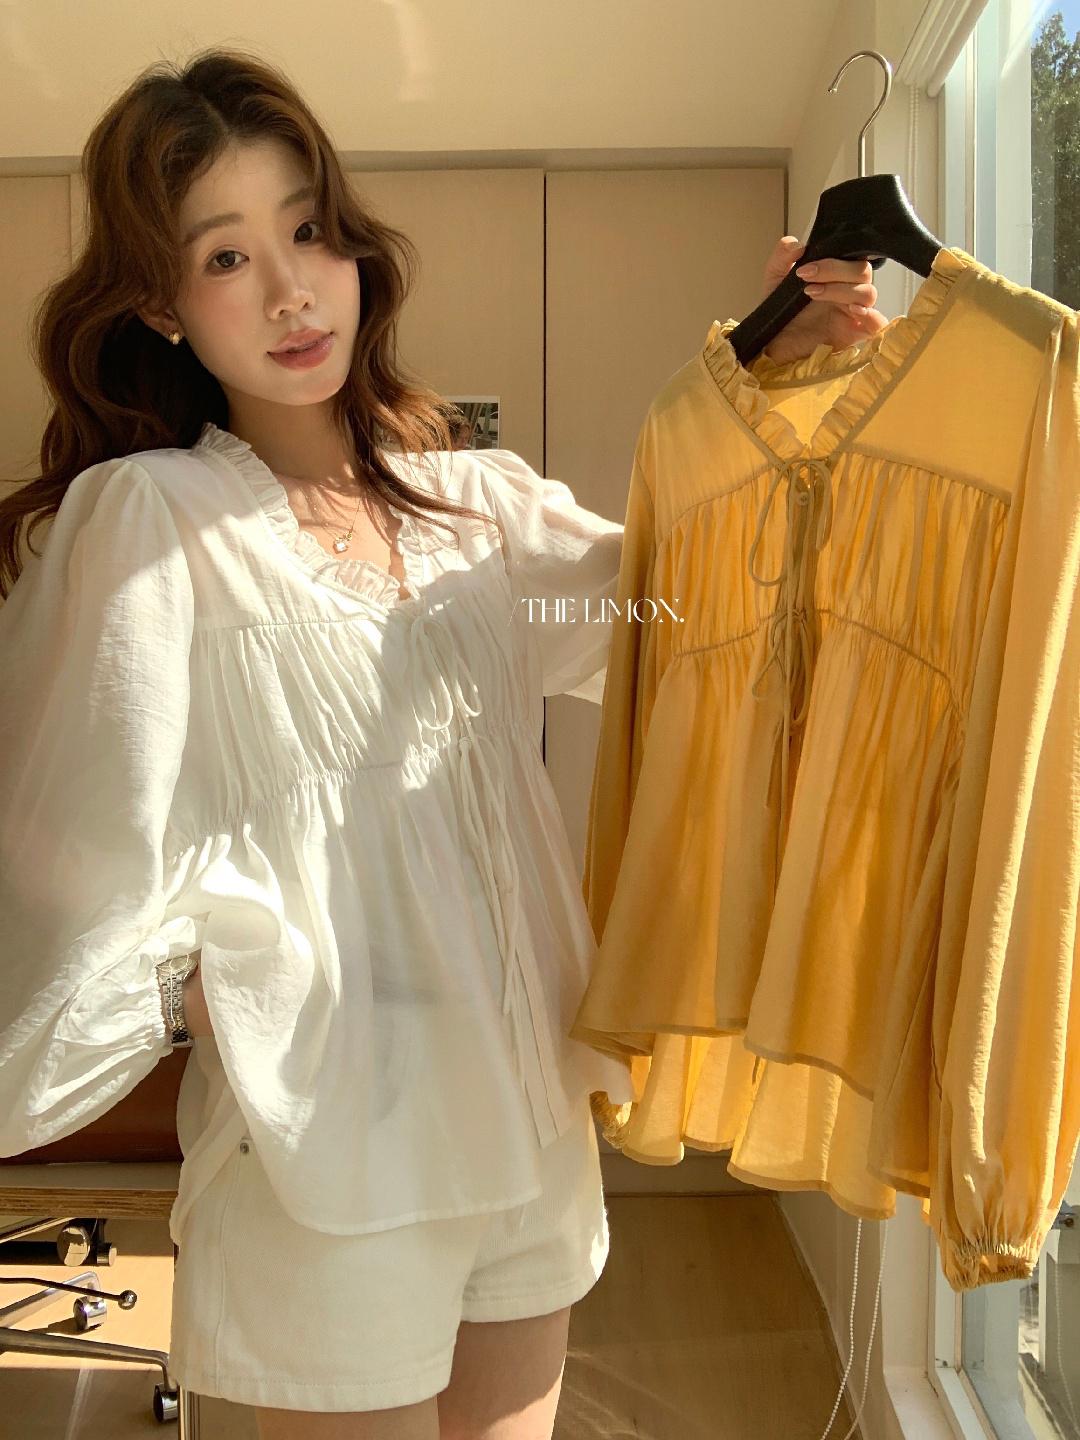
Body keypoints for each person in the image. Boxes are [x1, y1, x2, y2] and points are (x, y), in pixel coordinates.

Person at [0, 45, 884, 1440]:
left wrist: (781, 393)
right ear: (161, 306)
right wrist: (201, 991)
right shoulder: (152, 523)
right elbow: (66, 844)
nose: (291, 291)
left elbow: (676, 615)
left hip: (529, 1126)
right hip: (329, 1163)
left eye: (308, 230)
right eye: (226, 257)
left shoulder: (481, 512)